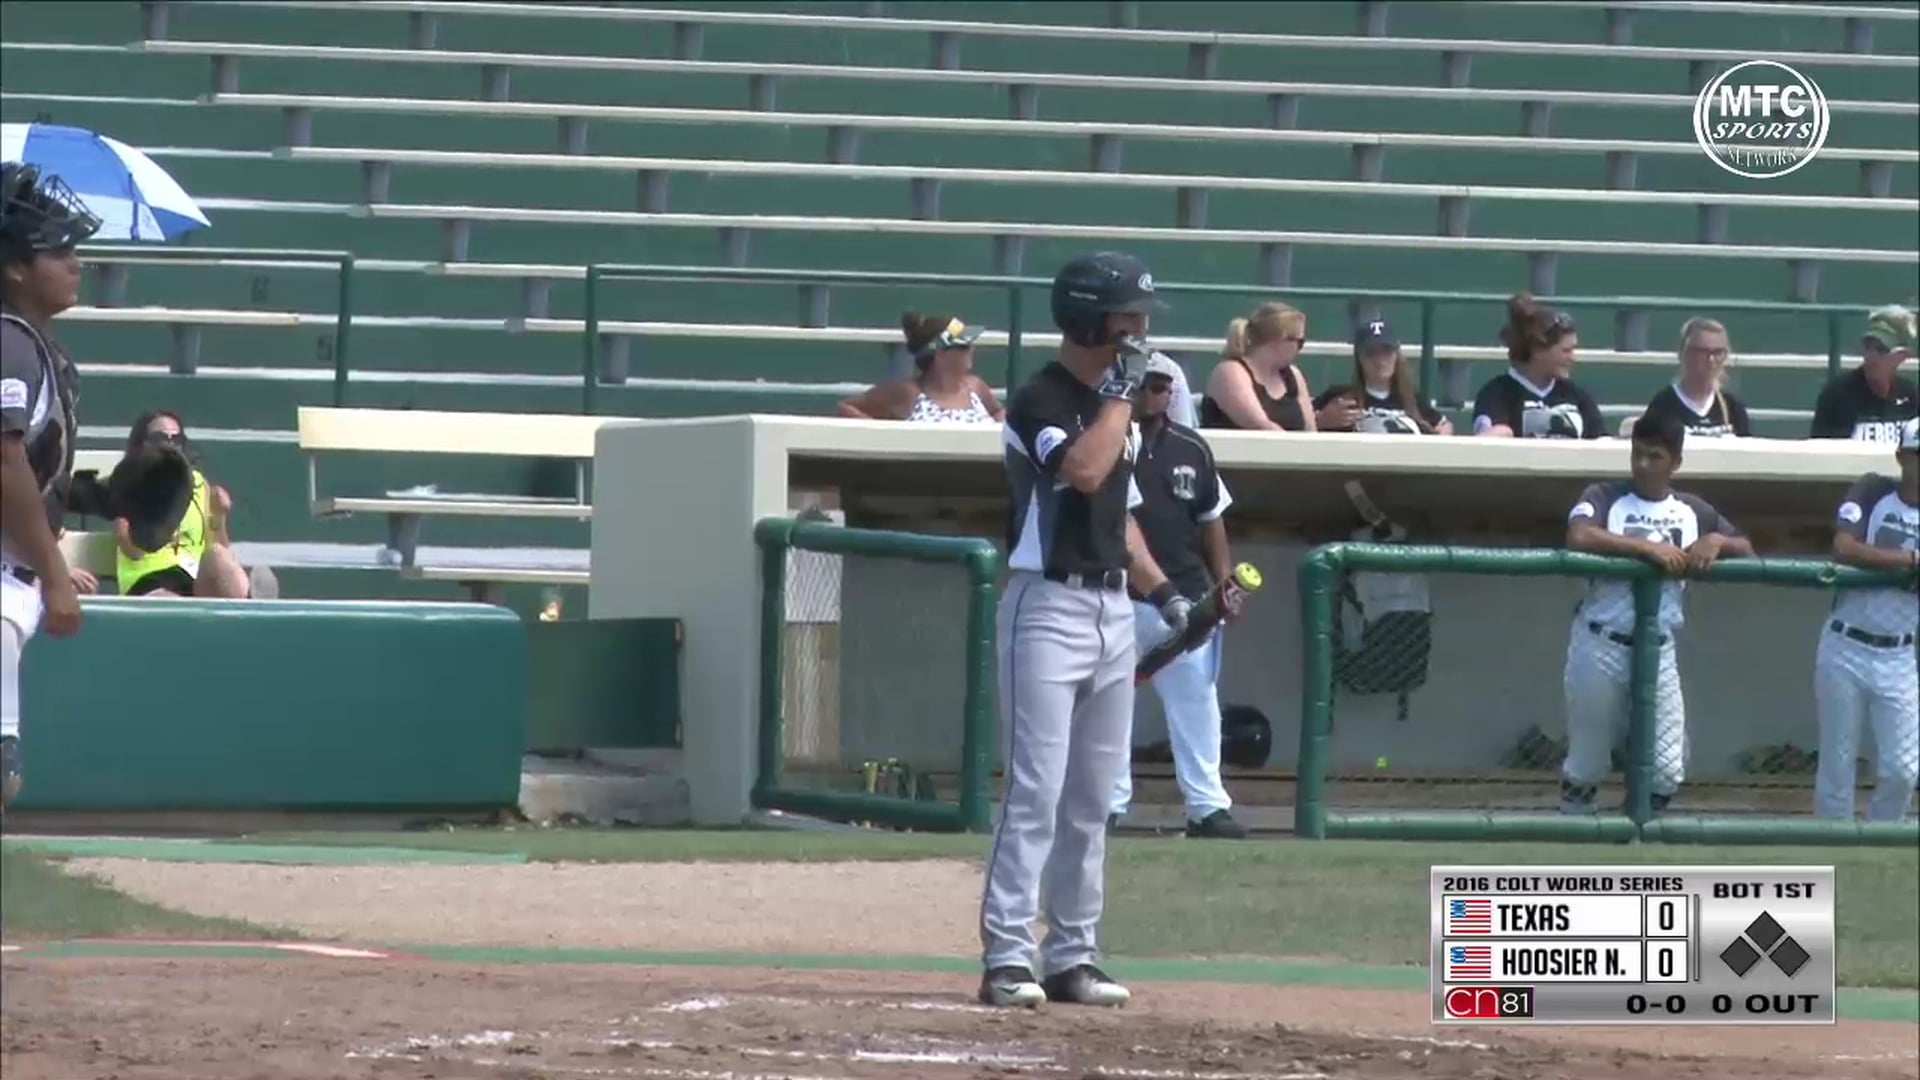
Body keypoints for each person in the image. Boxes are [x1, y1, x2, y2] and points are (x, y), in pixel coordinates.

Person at [981, 251, 1190, 1010]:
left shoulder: (1116, 404)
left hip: (1110, 607)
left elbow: (1120, 515)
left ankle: (1073, 954)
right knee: (1034, 791)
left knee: (1094, 798)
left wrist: (1162, 590)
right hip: (1047, 607)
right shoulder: (1041, 394)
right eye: (1126, 317)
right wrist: (1121, 393)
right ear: (1086, 317)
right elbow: (1086, 471)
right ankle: (1008, 956)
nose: (1139, 331)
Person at [1559, 413, 1753, 816]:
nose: (1643, 464)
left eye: (1655, 456)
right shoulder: (1604, 495)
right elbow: (1578, 536)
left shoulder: (1690, 509)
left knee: (1666, 767)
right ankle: (1573, 839)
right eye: (1638, 454)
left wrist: (1716, 540)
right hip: (1601, 640)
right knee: (1587, 763)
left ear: (1675, 463)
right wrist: (1645, 548)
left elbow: (1748, 549)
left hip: (1658, 647)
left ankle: (1629, 833)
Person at [1107, 355, 1248, 840]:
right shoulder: (1108, 438)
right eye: (1146, 383)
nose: (1155, 392)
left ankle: (1206, 807)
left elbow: (1212, 521)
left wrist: (1223, 585)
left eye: (1163, 384)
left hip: (1186, 596)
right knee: (1109, 706)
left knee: (1196, 704)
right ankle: (1108, 804)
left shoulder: (1192, 447)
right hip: (1118, 595)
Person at [1, 162, 99, 813]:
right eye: (56, 250)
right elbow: (3, 461)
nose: (75, 262)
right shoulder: (9, 343)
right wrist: (58, 575)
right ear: (14, 268)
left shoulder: (34, 346)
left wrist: (105, 495)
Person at [1812, 417, 1919, 822]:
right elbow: (1844, 546)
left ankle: (1880, 843)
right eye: (1916, 456)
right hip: (1845, 644)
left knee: (1903, 769)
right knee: (1837, 764)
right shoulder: (1874, 490)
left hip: (1899, 652)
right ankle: (1830, 851)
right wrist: (1910, 560)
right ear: (1902, 457)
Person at [113, 410, 258, 598]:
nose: (170, 444)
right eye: (160, 438)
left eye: (176, 439)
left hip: (192, 580)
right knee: (168, 601)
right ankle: (252, 600)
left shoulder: (198, 484)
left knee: (218, 555)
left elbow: (219, 547)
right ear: (143, 444)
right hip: (149, 582)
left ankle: (249, 600)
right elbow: (132, 550)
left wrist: (218, 516)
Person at [1473, 294, 1605, 440]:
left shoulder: (1577, 395)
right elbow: (1487, 441)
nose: (1572, 358)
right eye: (1566, 351)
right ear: (1539, 351)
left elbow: (1601, 439)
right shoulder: (1496, 394)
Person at [836, 312, 1004, 423]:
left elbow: (999, 413)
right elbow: (846, 408)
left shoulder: (975, 387)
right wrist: (888, 439)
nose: (971, 349)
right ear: (940, 354)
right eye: (963, 346)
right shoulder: (908, 392)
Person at [1311, 316, 1453, 435]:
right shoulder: (1340, 399)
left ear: (1396, 355)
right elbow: (1299, 422)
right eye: (1371, 354)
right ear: (1359, 358)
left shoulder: (1411, 400)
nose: (1380, 362)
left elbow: (1444, 426)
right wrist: (1322, 420)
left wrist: (1441, 435)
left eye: (1386, 352)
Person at [1198, 301, 1318, 432]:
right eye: (1300, 341)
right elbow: (1262, 427)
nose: (1300, 348)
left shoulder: (1294, 376)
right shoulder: (1231, 372)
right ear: (1280, 340)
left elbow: (1310, 430)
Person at [1810, 306, 1917, 443]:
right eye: (1867, 347)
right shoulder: (1838, 395)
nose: (1870, 357)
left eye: (1881, 349)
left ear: (1903, 355)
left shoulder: (1910, 395)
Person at [1635, 317, 1752, 438]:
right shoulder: (1664, 405)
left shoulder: (1732, 407)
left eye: (1718, 352)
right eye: (1702, 351)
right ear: (1683, 354)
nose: (1711, 360)